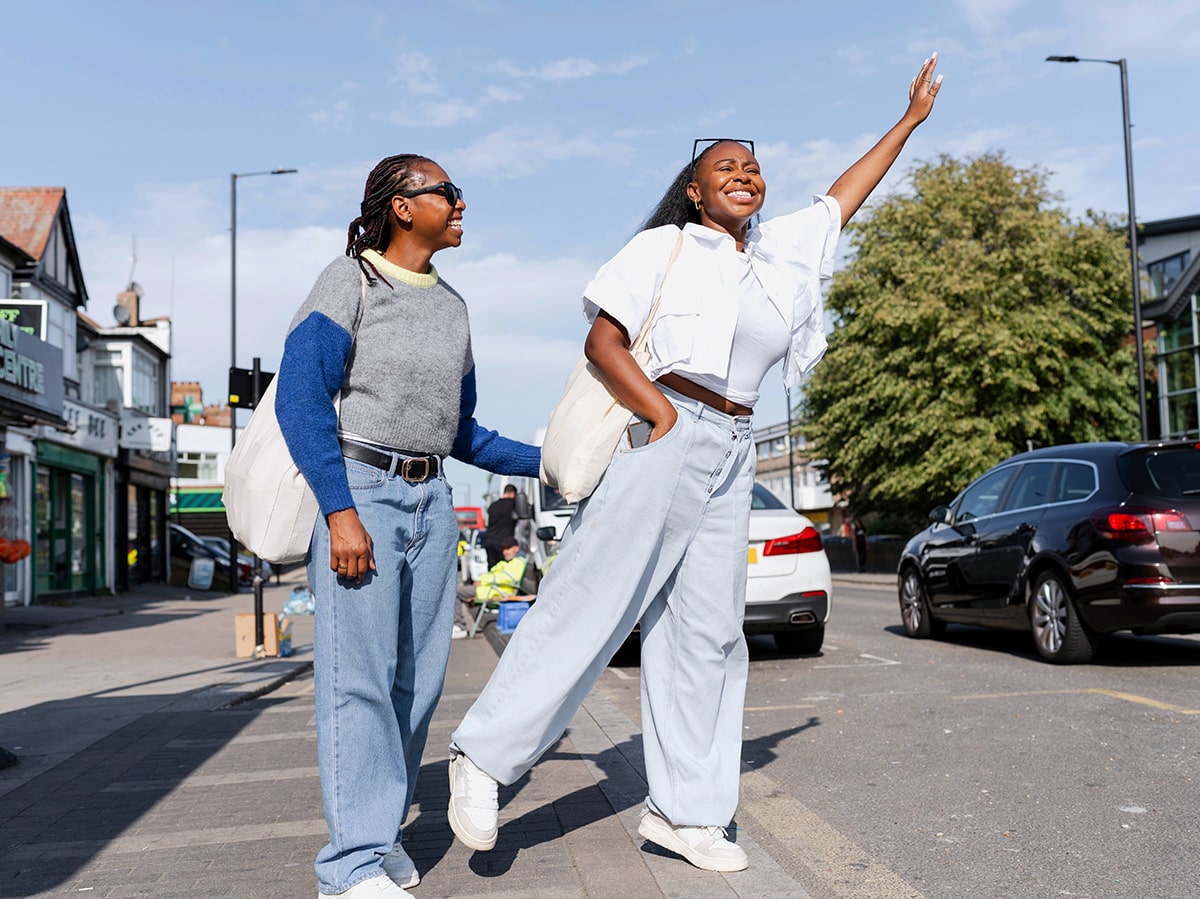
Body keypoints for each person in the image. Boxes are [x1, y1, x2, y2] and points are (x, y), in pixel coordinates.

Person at [445, 55, 943, 873]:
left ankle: (686, 811)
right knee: (594, 604)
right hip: (669, 429)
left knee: (708, 635)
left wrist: (911, 121)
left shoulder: (780, 253)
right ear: (696, 191)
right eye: (724, 168)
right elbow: (602, 340)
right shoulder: (662, 249)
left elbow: (844, 195)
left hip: (735, 448)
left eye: (751, 166)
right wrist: (663, 413)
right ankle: (485, 757)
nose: (743, 175)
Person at [275, 154, 541, 899]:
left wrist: (554, 462)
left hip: (431, 501)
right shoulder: (350, 281)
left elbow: (464, 434)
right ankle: (350, 864)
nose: (460, 204)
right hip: (359, 490)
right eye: (447, 193)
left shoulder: (452, 305)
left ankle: (379, 833)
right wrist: (340, 511)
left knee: (416, 683)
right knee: (356, 680)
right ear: (401, 205)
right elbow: (300, 400)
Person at [483, 484, 519, 568]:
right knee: (505, 569)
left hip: (490, 542)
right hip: (504, 544)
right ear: (512, 493)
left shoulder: (492, 506)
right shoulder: (512, 504)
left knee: (493, 569)